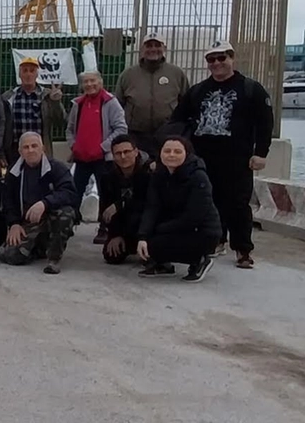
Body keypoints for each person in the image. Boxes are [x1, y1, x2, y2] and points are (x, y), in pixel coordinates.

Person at [169, 41, 273, 268]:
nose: (216, 63)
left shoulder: (251, 89)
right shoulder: (197, 91)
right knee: (209, 201)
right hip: (204, 158)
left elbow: (265, 123)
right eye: (211, 59)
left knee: (238, 204)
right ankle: (217, 239)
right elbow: (178, 119)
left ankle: (243, 249)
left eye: (221, 58)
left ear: (231, 58)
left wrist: (261, 153)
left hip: (237, 158)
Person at [137, 136, 221, 282]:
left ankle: (199, 260)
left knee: (155, 243)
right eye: (167, 151)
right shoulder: (159, 175)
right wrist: (142, 236)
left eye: (177, 151)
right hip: (177, 223)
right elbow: (152, 206)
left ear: (186, 154)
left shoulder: (198, 176)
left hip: (202, 231)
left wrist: (160, 229)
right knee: (143, 237)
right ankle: (162, 264)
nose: (171, 155)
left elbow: (195, 216)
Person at [0, 132, 79, 274]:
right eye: (26, 147)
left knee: (66, 213)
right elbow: (7, 200)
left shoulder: (57, 168)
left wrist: (45, 203)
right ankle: (39, 247)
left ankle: (54, 258)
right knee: (12, 256)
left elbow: (70, 193)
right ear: (20, 151)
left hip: (51, 217)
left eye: (34, 146)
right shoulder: (13, 172)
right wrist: (14, 223)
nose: (30, 150)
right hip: (28, 221)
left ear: (42, 148)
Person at [66, 70, 128, 236]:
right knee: (74, 193)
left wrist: (103, 147)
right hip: (81, 158)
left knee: (105, 194)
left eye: (93, 81)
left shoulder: (110, 102)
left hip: (103, 159)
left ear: (100, 82)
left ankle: (105, 228)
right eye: (86, 82)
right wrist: (74, 146)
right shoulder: (77, 104)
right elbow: (70, 129)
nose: (89, 85)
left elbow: (121, 128)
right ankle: (67, 225)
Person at [115, 32, 189, 158]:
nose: (153, 49)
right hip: (136, 135)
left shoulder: (176, 73)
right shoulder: (128, 75)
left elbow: (186, 103)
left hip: (168, 135)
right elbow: (118, 105)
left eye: (157, 45)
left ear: (164, 48)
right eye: (149, 46)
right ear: (142, 49)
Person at [1, 56, 66, 164]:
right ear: (19, 74)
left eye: (32, 71)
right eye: (25, 71)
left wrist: (56, 103)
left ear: (37, 74)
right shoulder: (8, 96)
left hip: (40, 149)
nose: (28, 74)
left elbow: (60, 121)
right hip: (15, 150)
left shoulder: (47, 95)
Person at [100, 135, 152, 266]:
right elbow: (105, 209)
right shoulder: (107, 176)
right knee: (111, 255)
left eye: (127, 152)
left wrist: (120, 204)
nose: (123, 157)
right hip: (124, 223)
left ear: (136, 152)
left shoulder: (149, 171)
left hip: (145, 222)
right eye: (118, 153)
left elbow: (147, 202)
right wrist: (115, 234)